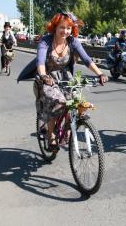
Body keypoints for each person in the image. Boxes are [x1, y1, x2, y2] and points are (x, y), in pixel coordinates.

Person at [35, 12, 108, 150]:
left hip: (66, 78)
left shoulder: (73, 41)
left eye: (68, 28)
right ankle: (51, 135)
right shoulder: (46, 41)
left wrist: (100, 73)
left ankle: (68, 129)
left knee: (75, 101)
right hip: (48, 78)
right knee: (57, 103)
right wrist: (44, 76)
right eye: (62, 27)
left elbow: (86, 60)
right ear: (55, 27)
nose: (65, 31)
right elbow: (40, 61)